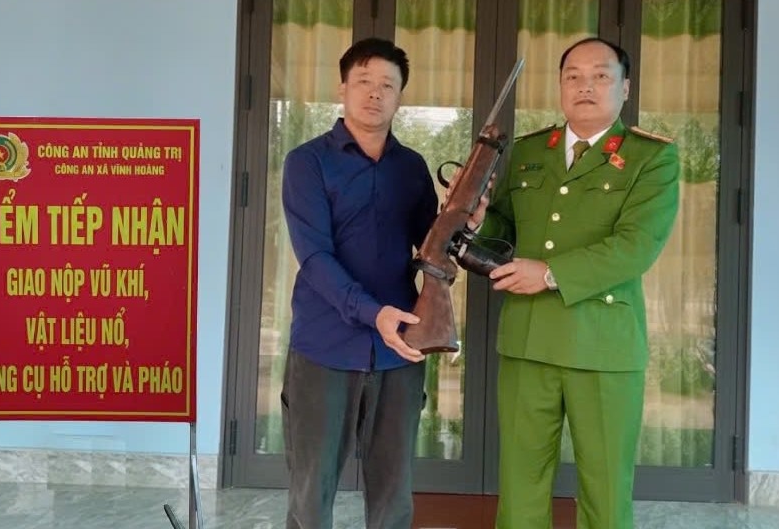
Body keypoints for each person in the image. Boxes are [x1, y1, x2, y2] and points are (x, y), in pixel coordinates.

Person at [477, 37, 680, 528]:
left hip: (603, 346)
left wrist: (548, 274)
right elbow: (501, 234)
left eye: (600, 75)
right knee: (522, 484)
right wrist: (476, 220)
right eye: (573, 76)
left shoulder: (651, 159)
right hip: (528, 341)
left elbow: (636, 247)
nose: (585, 86)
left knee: (606, 489)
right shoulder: (527, 152)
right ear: (561, 86)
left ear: (624, 88)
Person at [280, 37, 474, 529]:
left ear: (400, 97)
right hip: (325, 346)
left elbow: (433, 247)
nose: (375, 93)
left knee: (392, 496)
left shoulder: (411, 168)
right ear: (342, 88)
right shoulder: (307, 163)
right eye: (364, 81)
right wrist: (374, 313)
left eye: (387, 84)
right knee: (310, 497)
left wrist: (465, 219)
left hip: (399, 354)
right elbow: (315, 257)